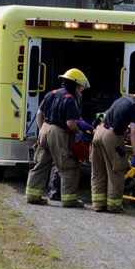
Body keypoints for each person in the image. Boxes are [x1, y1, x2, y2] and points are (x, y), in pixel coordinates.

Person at [25, 68, 90, 207]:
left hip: (44, 129)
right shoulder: (70, 99)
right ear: (73, 85)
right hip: (59, 132)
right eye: (80, 87)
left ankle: (32, 196)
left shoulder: (51, 93)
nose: (81, 90)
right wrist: (80, 132)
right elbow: (70, 123)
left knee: (41, 164)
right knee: (68, 166)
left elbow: (38, 114)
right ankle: (68, 200)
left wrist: (42, 129)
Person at [90, 83, 135, 213]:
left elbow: (115, 119)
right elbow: (134, 132)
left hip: (98, 133)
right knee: (116, 172)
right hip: (111, 137)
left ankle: (98, 204)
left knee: (99, 170)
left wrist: (123, 133)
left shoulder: (122, 99)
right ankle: (114, 206)